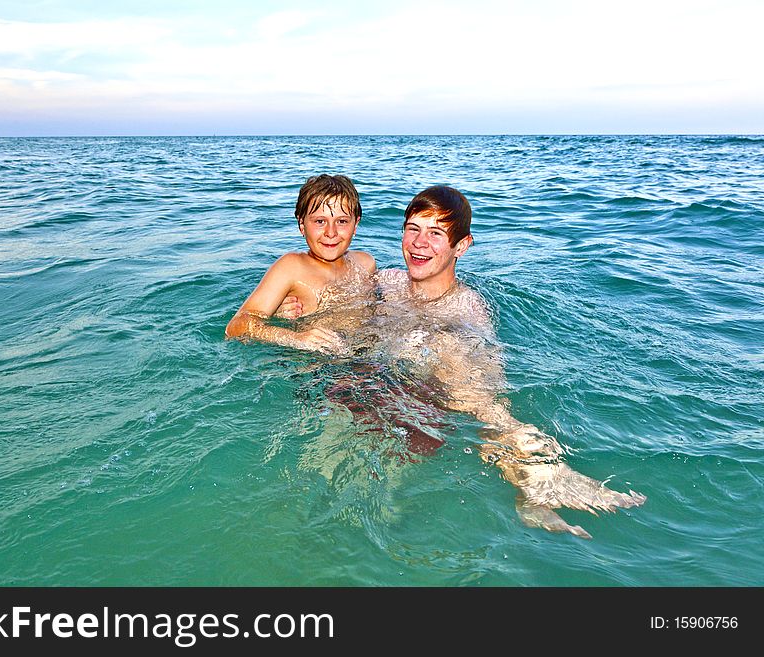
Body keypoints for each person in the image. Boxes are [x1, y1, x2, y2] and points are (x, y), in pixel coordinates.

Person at [276, 185, 646, 538]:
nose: (420, 243)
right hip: (362, 383)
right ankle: (534, 486)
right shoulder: (382, 281)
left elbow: (481, 386)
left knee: (476, 392)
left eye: (436, 233)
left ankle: (542, 474)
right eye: (412, 229)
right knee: (326, 494)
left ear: (461, 246)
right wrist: (294, 311)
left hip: (422, 401)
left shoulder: (467, 309)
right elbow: (334, 305)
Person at [225, 174, 376, 353]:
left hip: (368, 354)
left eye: (341, 221)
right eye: (320, 221)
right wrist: (293, 336)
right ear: (301, 224)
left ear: (355, 224)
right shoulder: (292, 267)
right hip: (319, 366)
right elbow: (235, 327)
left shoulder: (365, 263)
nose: (331, 232)